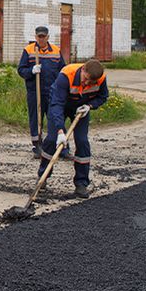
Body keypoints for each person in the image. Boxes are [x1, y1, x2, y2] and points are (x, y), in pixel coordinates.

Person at [39, 59, 108, 198]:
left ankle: (81, 183)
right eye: (86, 79)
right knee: (52, 140)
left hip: (81, 108)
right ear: (83, 70)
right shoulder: (66, 75)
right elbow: (56, 104)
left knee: (82, 142)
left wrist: (90, 106)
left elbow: (103, 96)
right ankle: (42, 177)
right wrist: (60, 130)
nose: (87, 84)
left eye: (91, 82)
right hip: (61, 105)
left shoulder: (100, 79)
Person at [16, 25, 63, 158]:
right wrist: (31, 71)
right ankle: (37, 145)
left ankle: (58, 145)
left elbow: (62, 70)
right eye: (39, 36)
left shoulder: (55, 50)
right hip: (34, 90)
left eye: (44, 36)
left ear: (48, 37)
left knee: (54, 117)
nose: (41, 39)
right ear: (36, 37)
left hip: (52, 91)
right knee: (35, 118)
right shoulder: (29, 50)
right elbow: (21, 70)